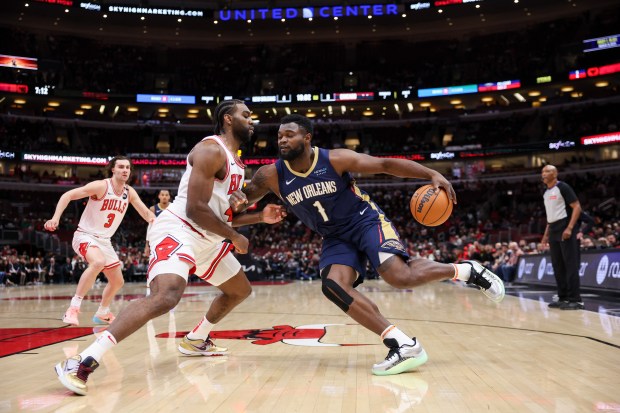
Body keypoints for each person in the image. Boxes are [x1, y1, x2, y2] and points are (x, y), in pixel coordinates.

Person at [230, 114, 505, 376]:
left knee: (399, 276)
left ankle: (466, 271)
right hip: (334, 236)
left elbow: (385, 165)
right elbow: (235, 211)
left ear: (308, 138)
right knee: (333, 286)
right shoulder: (270, 175)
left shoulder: (335, 159)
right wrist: (246, 210)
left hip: (364, 221)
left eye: (290, 135)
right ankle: (402, 344)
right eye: (279, 136)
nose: (282, 140)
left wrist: (431, 173)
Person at [54, 99, 286, 396]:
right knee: (166, 296)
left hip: (207, 237)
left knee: (239, 289)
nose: (252, 120)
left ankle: (196, 339)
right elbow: (195, 209)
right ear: (228, 119)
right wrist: (234, 236)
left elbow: (224, 216)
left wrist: (259, 217)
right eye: (246, 115)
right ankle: (82, 360)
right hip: (179, 229)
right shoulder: (210, 149)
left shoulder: (237, 164)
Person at [45, 156, 156, 325]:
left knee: (118, 281)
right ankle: (72, 309)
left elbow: (147, 214)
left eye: (128, 167)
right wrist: (55, 218)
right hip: (85, 235)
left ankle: (102, 312)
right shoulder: (101, 186)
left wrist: (162, 223)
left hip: (104, 241)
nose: (125, 170)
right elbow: (68, 195)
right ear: (113, 169)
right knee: (98, 262)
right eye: (121, 167)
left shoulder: (129, 192)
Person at [540, 165, 583, 310]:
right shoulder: (546, 192)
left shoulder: (563, 187)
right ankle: (563, 297)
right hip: (553, 229)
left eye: (547, 171)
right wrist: (545, 235)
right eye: (542, 172)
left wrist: (570, 228)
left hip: (565, 227)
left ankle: (576, 300)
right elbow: (549, 216)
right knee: (558, 266)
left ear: (555, 173)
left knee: (570, 265)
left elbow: (577, 207)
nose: (544, 174)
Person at [143, 189, 172, 256]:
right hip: (157, 238)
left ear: (169, 197)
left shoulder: (174, 207)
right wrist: (147, 245)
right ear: (159, 196)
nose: (164, 197)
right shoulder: (153, 209)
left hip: (170, 238)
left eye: (166, 195)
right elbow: (150, 227)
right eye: (162, 195)